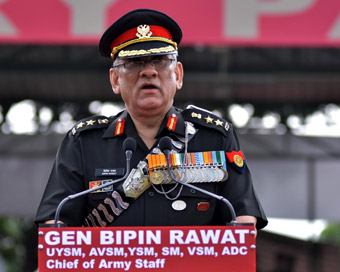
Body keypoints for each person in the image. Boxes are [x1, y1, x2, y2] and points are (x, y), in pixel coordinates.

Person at [35, 9, 267, 230]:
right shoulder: (83, 143)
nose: (149, 72)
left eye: (159, 60)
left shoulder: (215, 137)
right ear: (115, 80)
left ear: (177, 75)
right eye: (135, 63)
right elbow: (55, 226)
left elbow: (243, 221)